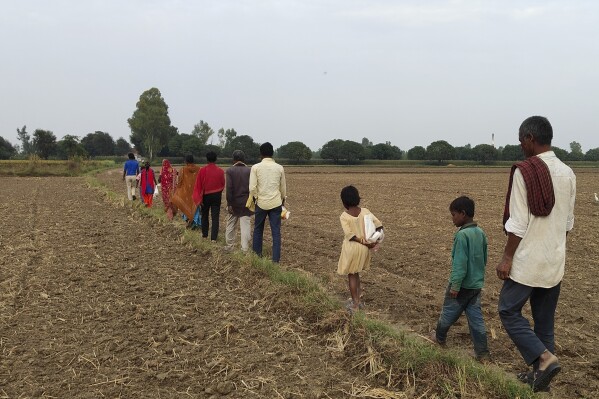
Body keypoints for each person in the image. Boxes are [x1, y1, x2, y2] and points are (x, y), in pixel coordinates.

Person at [497, 116, 576, 392]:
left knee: (507, 309)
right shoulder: (568, 172)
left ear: (530, 139)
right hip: (554, 260)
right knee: (544, 323)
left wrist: (507, 257)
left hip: (528, 260)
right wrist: (553, 247)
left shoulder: (525, 171)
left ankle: (544, 358)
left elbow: (518, 224)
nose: (521, 146)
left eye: (521, 141)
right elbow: (567, 224)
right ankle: (541, 383)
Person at [430, 196, 490, 362]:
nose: (452, 218)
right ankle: (482, 353)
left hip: (461, 286)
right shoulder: (481, 233)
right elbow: (484, 259)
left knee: (448, 313)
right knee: (476, 319)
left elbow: (459, 264)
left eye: (453, 214)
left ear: (463, 214)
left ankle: (439, 338)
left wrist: (455, 285)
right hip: (475, 286)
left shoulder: (462, 236)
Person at [337, 185, 383, 313]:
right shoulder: (365, 211)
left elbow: (350, 235)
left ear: (344, 201)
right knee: (356, 274)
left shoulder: (344, 216)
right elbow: (379, 226)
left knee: (352, 275)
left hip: (352, 249)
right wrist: (374, 241)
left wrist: (361, 240)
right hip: (364, 249)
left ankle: (355, 305)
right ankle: (358, 300)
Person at [249, 142, 286, 262]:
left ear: (261, 154)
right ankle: (275, 260)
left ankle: (257, 257)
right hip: (276, 203)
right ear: (272, 153)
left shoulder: (255, 167)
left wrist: (257, 198)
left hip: (261, 203)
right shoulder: (280, 168)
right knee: (276, 232)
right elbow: (283, 188)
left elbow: (252, 188)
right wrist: (282, 200)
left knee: (258, 230)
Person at [224, 150, 253, 252]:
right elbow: (252, 188)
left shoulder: (230, 171)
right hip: (246, 202)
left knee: (231, 224)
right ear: (244, 159)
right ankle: (244, 249)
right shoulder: (250, 171)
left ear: (233, 159)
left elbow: (229, 188)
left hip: (234, 202)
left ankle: (230, 246)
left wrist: (229, 203)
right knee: (245, 225)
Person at [193, 151, 225, 241]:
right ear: (216, 159)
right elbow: (223, 184)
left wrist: (199, 198)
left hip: (205, 196)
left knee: (204, 215)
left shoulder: (202, 170)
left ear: (207, 159)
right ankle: (214, 239)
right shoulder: (220, 171)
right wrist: (218, 191)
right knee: (215, 217)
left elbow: (198, 185)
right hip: (217, 196)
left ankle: (205, 235)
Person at [171, 154, 200, 227]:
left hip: (186, 192)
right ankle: (194, 223)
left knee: (186, 205)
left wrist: (177, 190)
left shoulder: (183, 169)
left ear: (186, 161)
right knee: (195, 207)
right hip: (196, 192)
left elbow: (180, 182)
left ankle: (188, 220)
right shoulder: (199, 169)